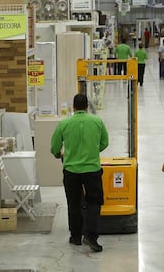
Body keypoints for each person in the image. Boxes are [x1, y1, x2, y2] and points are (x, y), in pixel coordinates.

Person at [50, 93, 109, 252]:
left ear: (73, 107)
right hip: (92, 170)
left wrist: (59, 154)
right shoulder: (97, 121)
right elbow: (105, 142)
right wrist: (93, 151)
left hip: (71, 170)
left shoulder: (65, 123)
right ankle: (91, 236)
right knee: (94, 203)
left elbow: (54, 147)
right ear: (87, 106)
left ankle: (75, 236)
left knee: (74, 203)